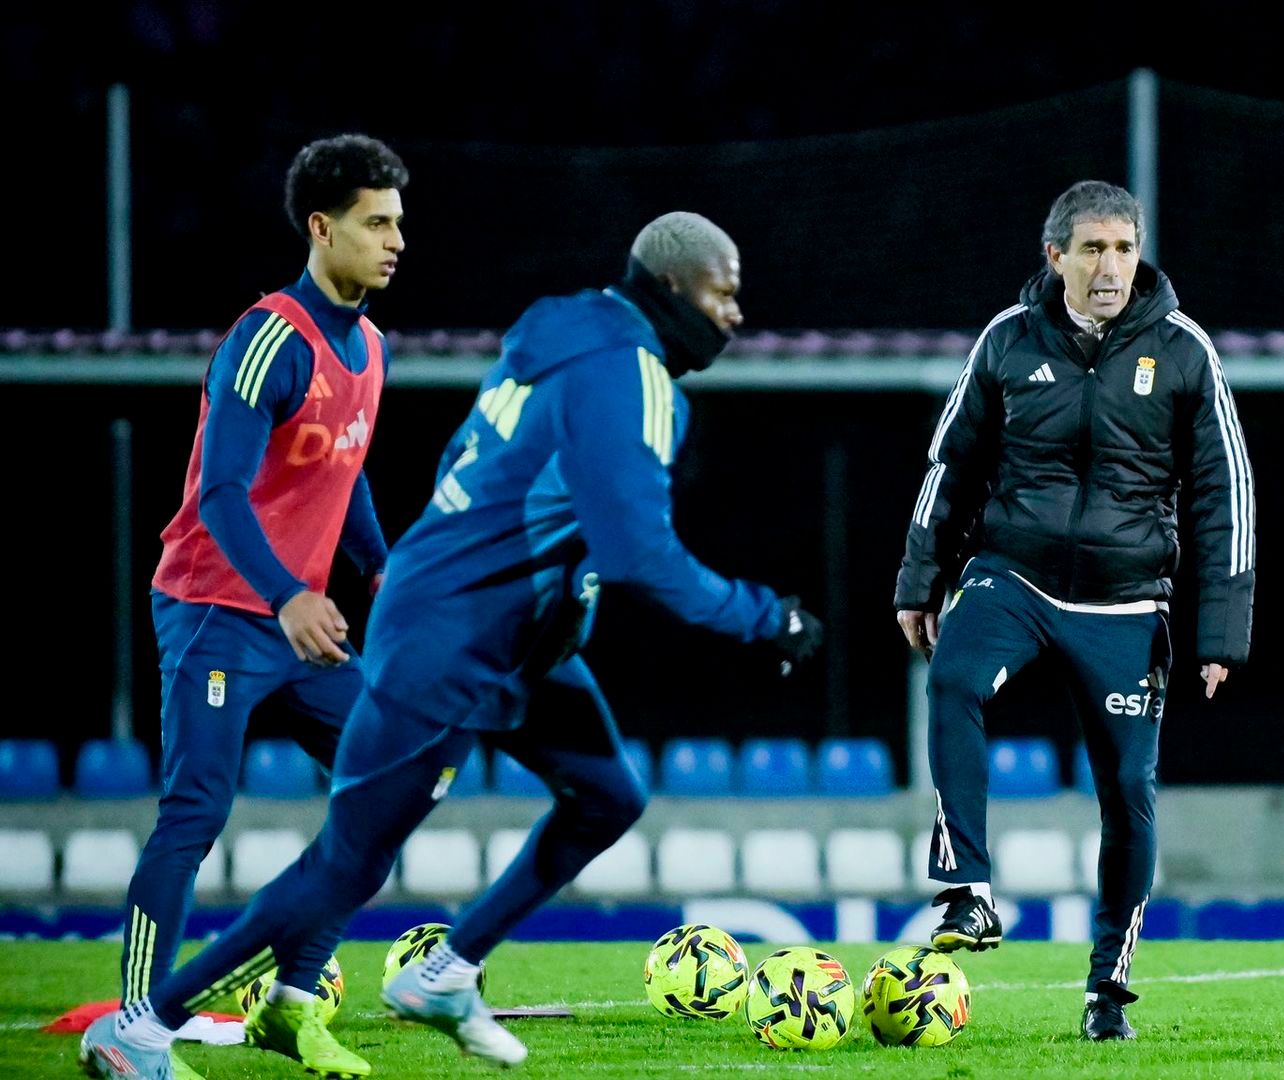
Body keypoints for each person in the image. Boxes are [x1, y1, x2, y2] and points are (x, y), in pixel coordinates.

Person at [82, 212, 824, 1079]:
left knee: (608, 794)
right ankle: (144, 1027)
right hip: (457, 638)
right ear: (670, 288)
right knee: (344, 866)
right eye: (723, 292)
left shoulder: (556, 323)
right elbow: (641, 555)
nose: (735, 313)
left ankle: (448, 971)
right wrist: (768, 617)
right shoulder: (636, 379)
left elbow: (488, 468)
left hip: (508, 630)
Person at [894, 180, 1255, 1041]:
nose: (1110, 267)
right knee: (953, 678)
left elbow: (1225, 491)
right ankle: (969, 890)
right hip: (1011, 573)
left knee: (1128, 791)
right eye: (1092, 248)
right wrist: (920, 577)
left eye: (1124, 248)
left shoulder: (1183, 350)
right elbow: (953, 461)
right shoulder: (1008, 341)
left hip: (1128, 601)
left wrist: (1220, 631)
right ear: (1054, 257)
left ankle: (1108, 989)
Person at [123, 134, 406, 1080]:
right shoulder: (267, 339)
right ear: (322, 229)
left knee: (390, 778)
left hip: (301, 625)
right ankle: (135, 1030)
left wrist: (384, 574)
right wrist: (287, 595)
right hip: (216, 612)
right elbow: (221, 496)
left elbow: (347, 478)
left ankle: (292, 1003)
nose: (395, 239)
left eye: (399, 222)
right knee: (193, 815)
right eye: (376, 222)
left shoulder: (369, 347)